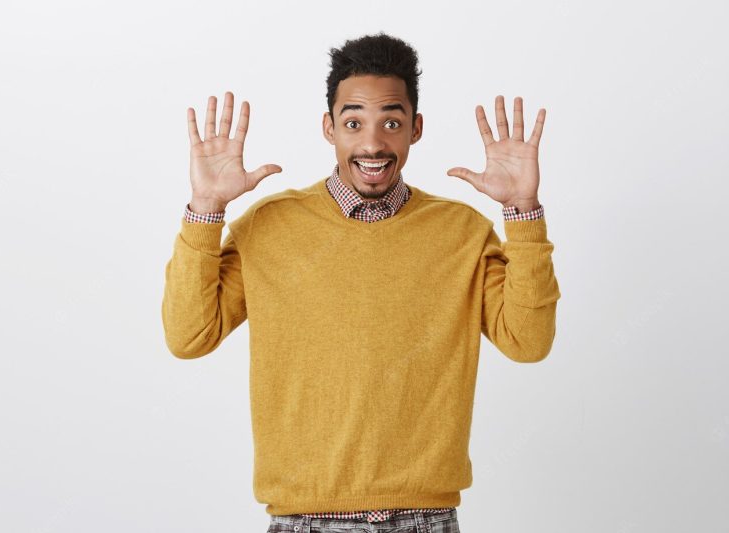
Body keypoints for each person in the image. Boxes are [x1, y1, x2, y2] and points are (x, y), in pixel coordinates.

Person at [162, 32, 561, 533]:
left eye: (390, 122)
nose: (372, 143)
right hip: (304, 520)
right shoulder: (270, 226)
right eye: (354, 122)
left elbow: (529, 342)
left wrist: (522, 211)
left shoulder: (462, 232)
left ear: (415, 129)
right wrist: (206, 210)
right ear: (329, 128)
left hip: (426, 519)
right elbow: (188, 336)